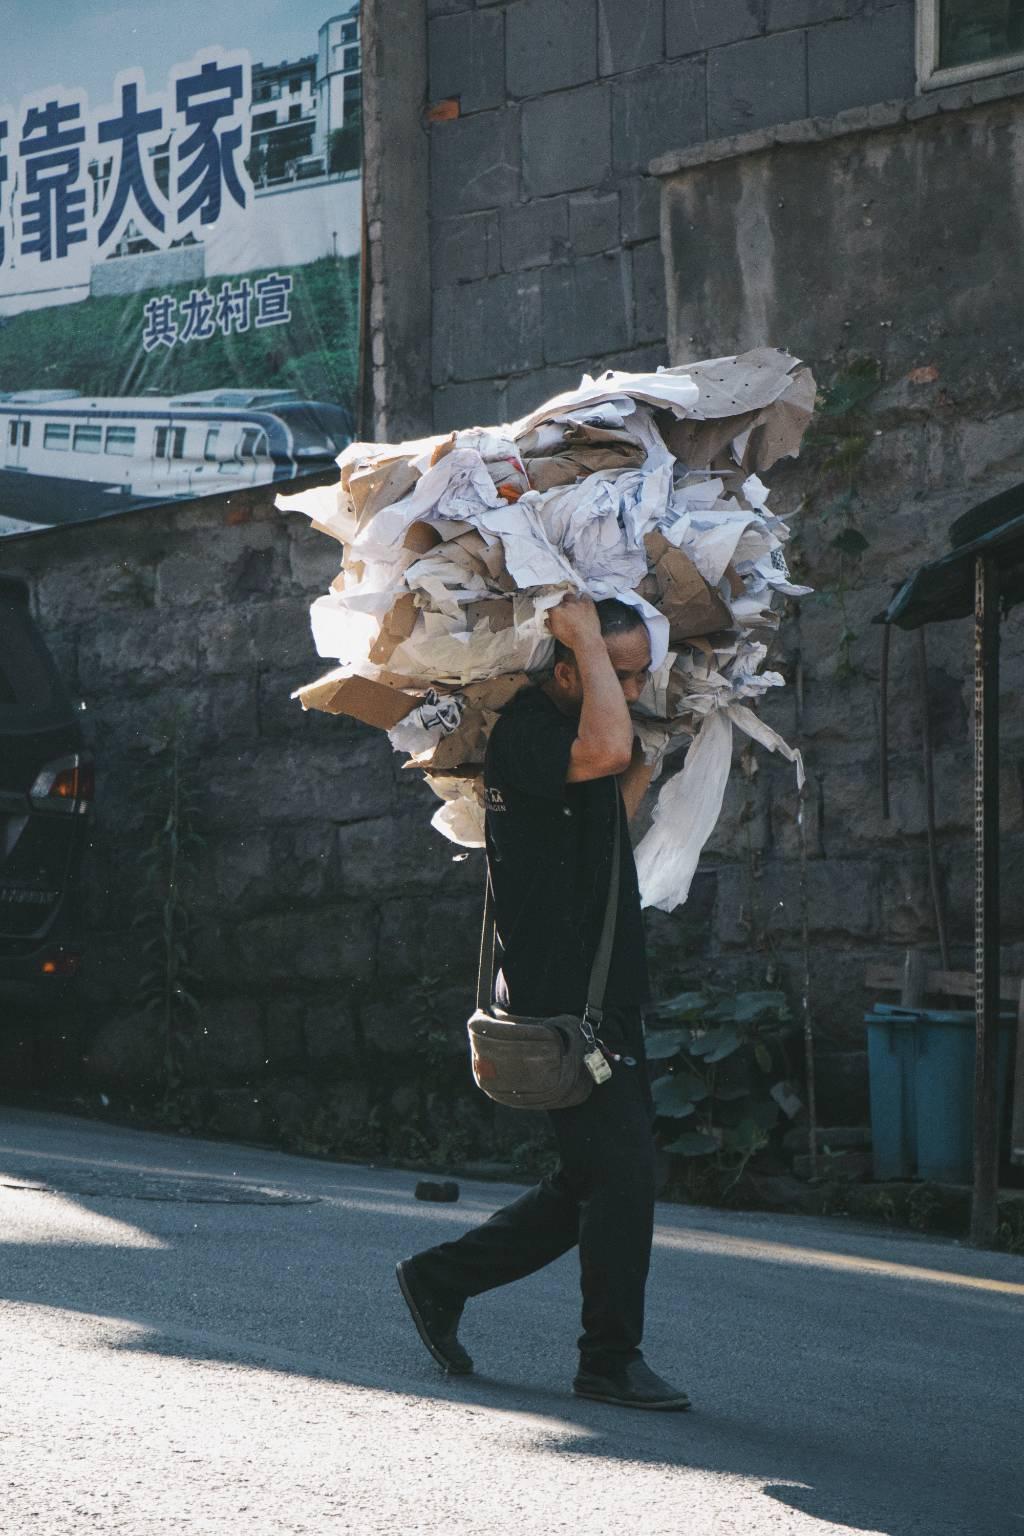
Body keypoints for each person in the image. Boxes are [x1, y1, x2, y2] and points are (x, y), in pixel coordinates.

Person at [396, 594, 690, 1412]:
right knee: (623, 1174)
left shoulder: (582, 739)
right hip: (563, 999)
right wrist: (588, 632)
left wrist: (641, 763)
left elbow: (604, 817)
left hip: (600, 990)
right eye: (616, 675)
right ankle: (608, 1359)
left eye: (636, 678)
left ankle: (439, 1279)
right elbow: (599, 748)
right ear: (568, 667)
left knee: (594, 1176)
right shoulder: (528, 733)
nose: (630, 693)